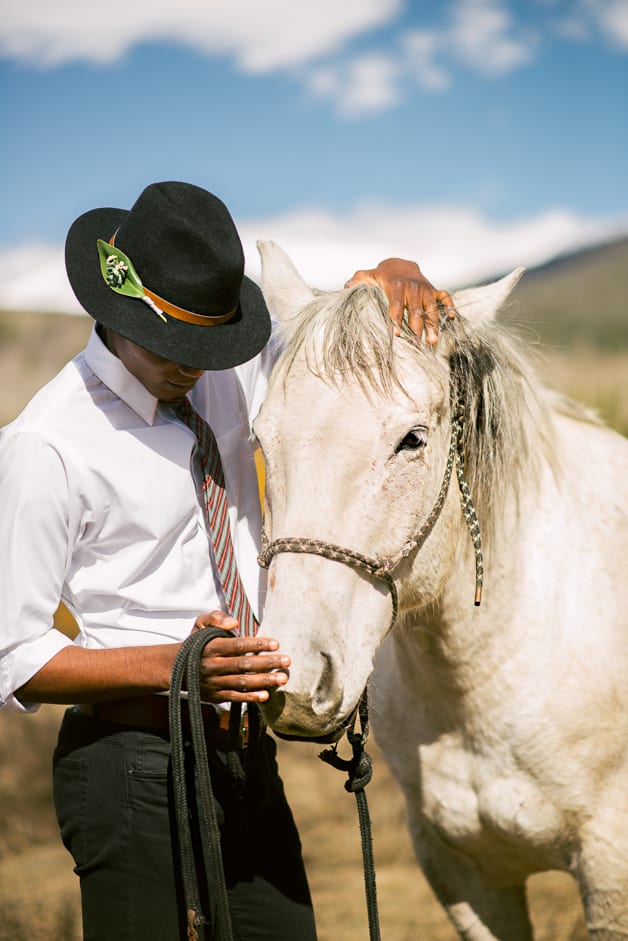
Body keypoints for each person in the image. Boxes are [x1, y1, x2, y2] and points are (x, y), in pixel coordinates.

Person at [0, 181, 454, 940]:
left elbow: (337, 334)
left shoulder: (226, 369)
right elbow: (15, 656)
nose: (194, 367)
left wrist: (392, 266)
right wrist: (179, 667)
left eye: (209, 345)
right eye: (176, 346)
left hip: (245, 756)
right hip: (130, 763)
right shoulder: (46, 446)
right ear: (118, 313)